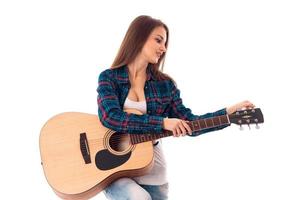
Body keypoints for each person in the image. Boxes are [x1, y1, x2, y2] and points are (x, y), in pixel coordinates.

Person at [97, 15, 255, 200]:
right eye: (158, 40)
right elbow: (111, 117)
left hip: (154, 172)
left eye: (165, 43)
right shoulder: (109, 78)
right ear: (138, 37)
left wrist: (227, 114)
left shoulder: (165, 85)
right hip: (114, 170)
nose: (163, 48)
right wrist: (163, 122)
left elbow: (190, 123)